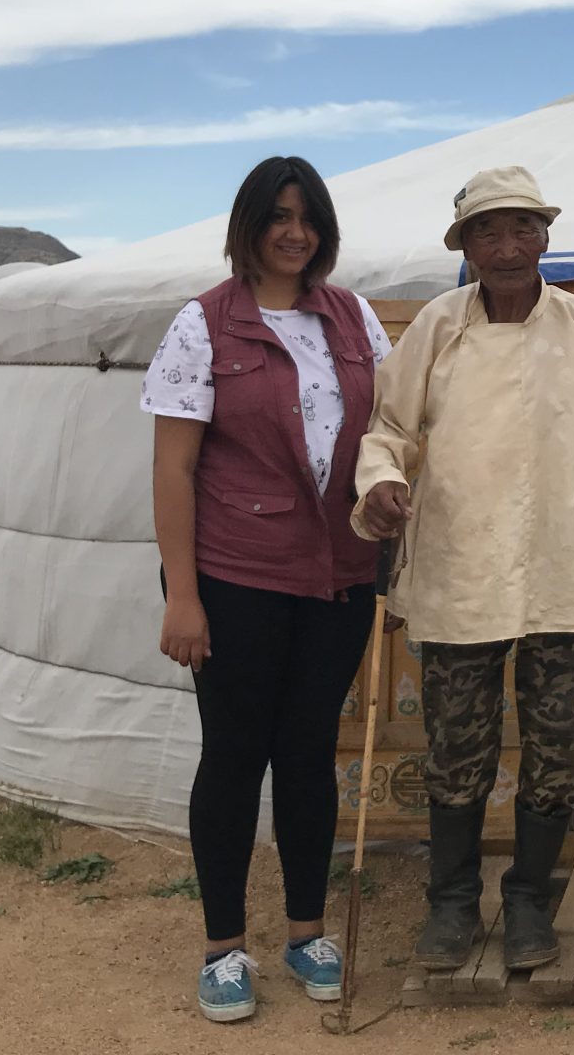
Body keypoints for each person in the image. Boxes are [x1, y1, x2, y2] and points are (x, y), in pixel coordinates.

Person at [352, 166, 574, 974]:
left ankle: (526, 900)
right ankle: (450, 904)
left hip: (559, 567)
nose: (508, 248)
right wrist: (380, 485)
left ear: (546, 237)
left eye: (522, 229)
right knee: (458, 749)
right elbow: (389, 430)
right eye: (488, 231)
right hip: (458, 570)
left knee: (557, 747)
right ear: (465, 246)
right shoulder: (438, 327)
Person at [143, 155, 394, 1024]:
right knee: (234, 752)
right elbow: (173, 468)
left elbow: (389, 434)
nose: (295, 232)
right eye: (278, 216)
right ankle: (222, 948)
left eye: (309, 217)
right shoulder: (203, 325)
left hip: (338, 575)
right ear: (247, 226)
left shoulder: (354, 319)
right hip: (238, 574)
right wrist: (183, 594)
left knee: (308, 752)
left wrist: (389, 490)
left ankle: (305, 931)